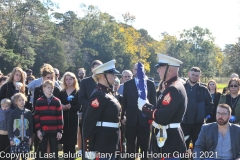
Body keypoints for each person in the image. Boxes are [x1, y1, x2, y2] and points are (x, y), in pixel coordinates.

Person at [138, 54, 187, 160]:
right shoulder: (172, 86)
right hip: (166, 138)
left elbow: (162, 117)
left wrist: (145, 106)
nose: (158, 71)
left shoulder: (173, 88)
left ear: (169, 69)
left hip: (169, 141)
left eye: (160, 68)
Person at [83, 60, 121, 160]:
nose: (115, 76)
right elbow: (89, 122)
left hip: (111, 143)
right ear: (104, 76)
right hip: (102, 144)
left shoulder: (108, 93)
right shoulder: (98, 95)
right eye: (112, 74)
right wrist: (88, 148)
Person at [122, 63, 156, 160]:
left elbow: (154, 104)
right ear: (133, 70)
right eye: (136, 69)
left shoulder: (150, 84)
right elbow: (124, 102)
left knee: (145, 148)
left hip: (145, 121)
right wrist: (122, 117)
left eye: (141, 69)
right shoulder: (128, 84)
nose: (138, 71)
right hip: (131, 120)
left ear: (144, 71)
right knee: (130, 148)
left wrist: (152, 120)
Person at [181, 67, 213, 151]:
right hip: (184, 124)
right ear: (188, 74)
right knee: (183, 148)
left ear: (199, 77)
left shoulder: (203, 89)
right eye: (193, 74)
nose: (194, 77)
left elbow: (210, 104)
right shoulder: (182, 88)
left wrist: (203, 114)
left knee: (198, 147)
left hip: (198, 125)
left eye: (196, 75)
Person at [78, 60, 102, 156]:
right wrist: (92, 106)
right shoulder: (85, 82)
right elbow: (81, 98)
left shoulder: (105, 81)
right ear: (92, 69)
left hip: (101, 116)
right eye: (96, 68)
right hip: (88, 115)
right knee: (87, 141)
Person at [34, 80, 63, 160]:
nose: (50, 89)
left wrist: (60, 131)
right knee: (41, 150)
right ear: (43, 88)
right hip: (43, 130)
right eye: (48, 87)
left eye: (52, 88)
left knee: (54, 150)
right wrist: (38, 130)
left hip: (54, 130)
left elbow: (60, 117)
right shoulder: (39, 101)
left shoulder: (57, 101)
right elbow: (36, 117)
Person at [59, 72, 80, 160]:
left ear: (74, 80)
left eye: (70, 79)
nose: (68, 81)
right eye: (66, 79)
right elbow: (58, 104)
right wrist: (63, 107)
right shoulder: (62, 92)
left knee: (72, 143)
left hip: (73, 119)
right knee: (65, 143)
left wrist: (71, 107)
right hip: (63, 119)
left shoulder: (78, 92)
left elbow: (79, 106)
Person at [8, 93, 33, 160]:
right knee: (15, 157)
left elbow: (31, 126)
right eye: (19, 100)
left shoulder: (28, 112)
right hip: (15, 139)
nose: (22, 102)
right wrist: (11, 138)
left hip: (26, 139)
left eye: (23, 100)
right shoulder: (13, 113)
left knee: (25, 157)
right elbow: (10, 126)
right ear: (16, 102)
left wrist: (30, 137)